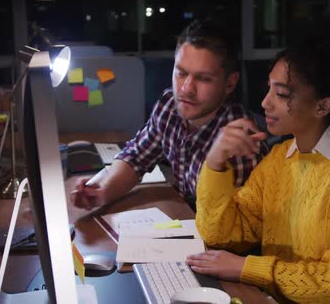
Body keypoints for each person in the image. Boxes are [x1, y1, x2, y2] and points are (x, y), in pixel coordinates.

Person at [187, 18, 330, 303]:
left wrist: (246, 267)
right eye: (269, 88)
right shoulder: (279, 159)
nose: (265, 103)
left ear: (323, 106)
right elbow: (221, 235)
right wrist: (215, 162)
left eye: (282, 94)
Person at [72, 19, 269, 210]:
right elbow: (137, 157)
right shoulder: (171, 104)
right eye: (181, 73)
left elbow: (238, 230)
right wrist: (103, 192)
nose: (186, 88)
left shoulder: (241, 141)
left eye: (203, 78)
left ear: (230, 83)